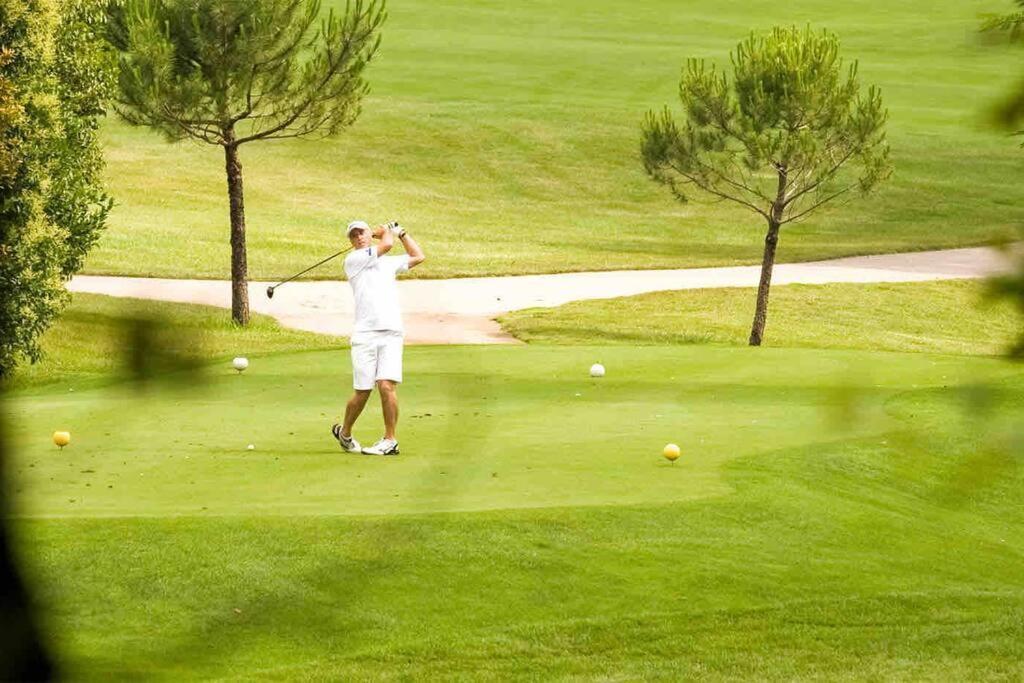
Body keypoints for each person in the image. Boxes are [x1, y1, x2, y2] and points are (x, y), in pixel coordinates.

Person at [332, 220, 425, 455]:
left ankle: (390, 440)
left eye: (362, 232)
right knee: (363, 391)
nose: (359, 237)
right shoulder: (353, 261)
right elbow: (386, 245)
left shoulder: (386, 263)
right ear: (351, 241)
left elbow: (418, 256)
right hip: (365, 334)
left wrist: (401, 233)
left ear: (368, 235)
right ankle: (345, 434)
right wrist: (385, 233)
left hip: (392, 331)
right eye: (354, 236)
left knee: (386, 385)